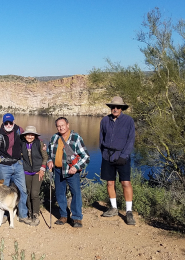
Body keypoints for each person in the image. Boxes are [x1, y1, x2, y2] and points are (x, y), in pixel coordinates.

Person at [47, 117, 90, 228]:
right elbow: (48, 152)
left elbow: (86, 157)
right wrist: (50, 161)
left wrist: (76, 167)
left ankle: (77, 218)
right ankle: (64, 216)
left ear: (68, 125)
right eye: (58, 126)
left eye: (62, 125)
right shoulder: (54, 137)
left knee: (75, 193)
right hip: (57, 170)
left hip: (71, 171)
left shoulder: (76, 138)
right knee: (60, 193)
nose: (61, 128)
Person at [99, 96, 136, 225]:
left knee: (125, 183)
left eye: (118, 107)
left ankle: (129, 212)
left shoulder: (128, 121)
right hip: (107, 156)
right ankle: (114, 208)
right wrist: (103, 153)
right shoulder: (105, 120)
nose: (115, 109)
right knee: (110, 183)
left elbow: (131, 140)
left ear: (122, 108)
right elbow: (101, 139)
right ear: (110, 108)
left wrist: (124, 155)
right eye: (113, 107)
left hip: (122, 155)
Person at [0, 113, 32, 225]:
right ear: (3, 123)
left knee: (22, 190)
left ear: (14, 121)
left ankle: (23, 215)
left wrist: (40, 144)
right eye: (6, 123)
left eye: (10, 122)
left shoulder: (19, 130)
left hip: (18, 164)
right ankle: (4, 216)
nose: (8, 124)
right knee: (4, 191)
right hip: (4, 167)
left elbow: (29, 138)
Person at [20, 126, 48, 226]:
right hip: (26, 172)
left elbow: (45, 157)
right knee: (27, 192)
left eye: (32, 135)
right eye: (28, 134)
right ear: (25, 135)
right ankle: (30, 212)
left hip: (37, 172)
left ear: (35, 136)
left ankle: (35, 214)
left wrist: (42, 169)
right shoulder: (22, 144)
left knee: (34, 193)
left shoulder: (40, 144)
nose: (30, 136)